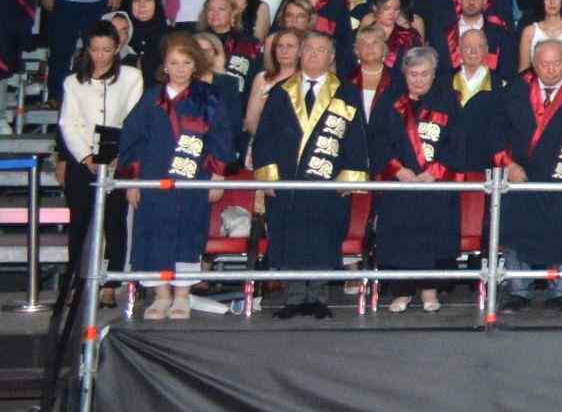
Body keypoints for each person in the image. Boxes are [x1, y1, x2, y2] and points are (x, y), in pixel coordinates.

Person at [114, 31, 235, 317]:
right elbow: (132, 139)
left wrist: (217, 175)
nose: (180, 69)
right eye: (174, 63)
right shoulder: (151, 98)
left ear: (195, 65)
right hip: (155, 178)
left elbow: (221, 137)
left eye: (186, 63)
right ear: (165, 66)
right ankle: (161, 295)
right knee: (153, 234)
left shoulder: (209, 98)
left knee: (188, 234)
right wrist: (133, 181)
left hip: (193, 179)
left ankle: (182, 295)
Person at [251, 29, 367, 317]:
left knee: (322, 237)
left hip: (326, 180)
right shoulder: (281, 91)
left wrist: (349, 178)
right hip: (288, 179)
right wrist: (267, 177)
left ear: (331, 56)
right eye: (310, 49)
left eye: (321, 50)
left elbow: (356, 138)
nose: (314, 54)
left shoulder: (346, 91)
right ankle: (293, 298)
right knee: (289, 237)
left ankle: (317, 297)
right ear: (301, 53)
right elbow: (264, 137)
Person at [495, 37, 562, 311]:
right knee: (518, 234)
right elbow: (494, 133)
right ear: (534, 63)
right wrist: (507, 164)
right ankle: (519, 291)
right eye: (545, 64)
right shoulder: (515, 89)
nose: (551, 69)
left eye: (557, 63)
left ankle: (560, 292)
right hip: (522, 176)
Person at [368, 44, 462, 313]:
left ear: (434, 74)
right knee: (400, 238)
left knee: (432, 238)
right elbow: (377, 139)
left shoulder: (448, 100)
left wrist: (436, 171)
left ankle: (430, 291)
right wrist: (397, 169)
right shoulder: (389, 100)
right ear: (404, 73)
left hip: (434, 185)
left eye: (424, 74)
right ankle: (402, 292)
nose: (419, 80)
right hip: (400, 183)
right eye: (413, 74)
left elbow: (458, 141)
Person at [57, 24, 142, 279]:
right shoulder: (72, 82)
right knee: (79, 221)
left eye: (106, 49)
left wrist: (121, 153)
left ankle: (111, 282)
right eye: (95, 50)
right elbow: (68, 123)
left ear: (116, 48)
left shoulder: (131, 77)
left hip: (116, 154)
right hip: (82, 157)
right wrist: (85, 156)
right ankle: (76, 279)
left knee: (114, 221)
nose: (100, 55)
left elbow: (133, 118)